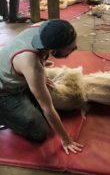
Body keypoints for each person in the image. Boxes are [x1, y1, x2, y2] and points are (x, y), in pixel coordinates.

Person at [0, 19, 83, 155]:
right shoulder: (31, 65)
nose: (76, 47)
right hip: (4, 92)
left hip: (11, 70)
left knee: (45, 97)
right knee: (40, 132)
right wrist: (66, 139)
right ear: (53, 50)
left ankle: (26, 91)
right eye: (71, 47)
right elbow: (47, 108)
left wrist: (42, 71)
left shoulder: (45, 27)